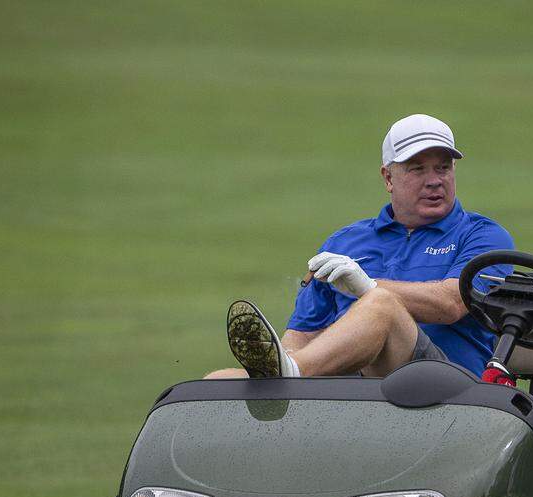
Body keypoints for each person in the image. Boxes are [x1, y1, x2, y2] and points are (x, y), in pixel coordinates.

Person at [207, 113, 513, 381]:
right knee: (217, 382)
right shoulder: (344, 243)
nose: (434, 181)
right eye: (417, 169)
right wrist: (288, 357)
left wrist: (367, 285)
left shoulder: (484, 236)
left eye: (443, 168)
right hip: (353, 389)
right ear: (388, 178)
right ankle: (290, 379)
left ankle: (294, 377)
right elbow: (301, 335)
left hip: (453, 392)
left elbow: (450, 305)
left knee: (381, 305)